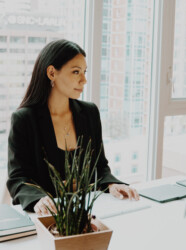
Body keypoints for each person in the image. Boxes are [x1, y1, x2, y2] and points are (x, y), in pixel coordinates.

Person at [7, 39, 139, 216]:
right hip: (48, 216)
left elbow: (100, 166)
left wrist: (111, 184)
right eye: (76, 72)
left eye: (84, 72)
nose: (84, 80)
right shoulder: (24, 119)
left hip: (88, 213)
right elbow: (18, 178)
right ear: (52, 73)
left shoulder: (89, 113)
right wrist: (38, 199)